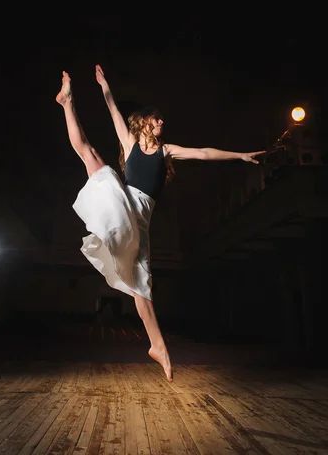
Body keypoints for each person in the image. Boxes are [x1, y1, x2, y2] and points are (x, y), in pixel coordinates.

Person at [56, 65, 265, 382]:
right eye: (157, 118)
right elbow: (112, 107)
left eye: (162, 120)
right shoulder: (129, 142)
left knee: (142, 286)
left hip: (140, 220)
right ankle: (67, 103)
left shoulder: (167, 151)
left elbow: (204, 153)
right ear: (144, 121)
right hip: (123, 199)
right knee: (89, 151)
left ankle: (158, 347)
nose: (162, 123)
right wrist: (104, 84)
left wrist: (241, 156)